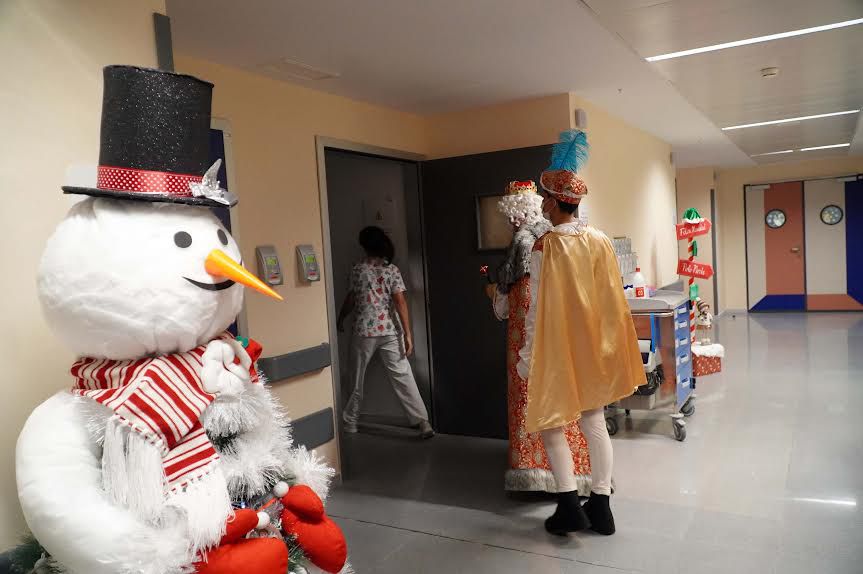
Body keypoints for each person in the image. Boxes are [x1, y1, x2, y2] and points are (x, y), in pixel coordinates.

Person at [518, 130, 645, 536]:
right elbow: (612, 296)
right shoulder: (601, 240)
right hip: (595, 345)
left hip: (557, 349)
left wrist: (527, 354)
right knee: (594, 421)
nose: (542, 204)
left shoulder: (546, 246)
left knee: (552, 423)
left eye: (544, 198)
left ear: (555, 202)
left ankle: (569, 505)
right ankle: (602, 507)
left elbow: (535, 307)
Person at [487, 181, 592, 494]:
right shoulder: (561, 235)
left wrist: (492, 291)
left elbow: (511, 296)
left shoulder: (523, 241)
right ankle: (580, 474)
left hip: (528, 334)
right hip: (564, 331)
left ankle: (534, 471)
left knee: (529, 398)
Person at [337, 226, 434, 439]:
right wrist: (408, 334)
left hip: (363, 331)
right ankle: (422, 422)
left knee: (356, 378)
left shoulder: (357, 269)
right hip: (389, 330)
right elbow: (400, 302)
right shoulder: (392, 270)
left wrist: (340, 318)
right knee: (402, 375)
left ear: (364, 246)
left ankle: (350, 422)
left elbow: (351, 299)